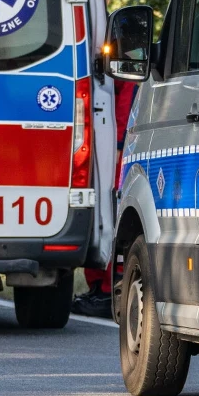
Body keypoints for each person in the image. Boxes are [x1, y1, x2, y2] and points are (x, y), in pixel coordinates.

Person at [72, 76, 138, 319]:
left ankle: (108, 288)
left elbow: (125, 100)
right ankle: (100, 286)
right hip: (102, 140)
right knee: (102, 214)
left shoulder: (123, 64)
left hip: (114, 145)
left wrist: (120, 142)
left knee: (110, 213)